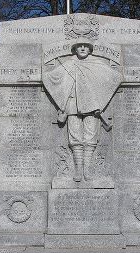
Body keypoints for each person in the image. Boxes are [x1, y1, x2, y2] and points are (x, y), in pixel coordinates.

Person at [43, 39, 122, 182]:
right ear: (75, 49)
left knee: (90, 138)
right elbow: (50, 78)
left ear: (90, 49)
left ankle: (87, 171)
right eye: (80, 46)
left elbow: (114, 77)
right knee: (75, 139)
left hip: (92, 105)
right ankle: (78, 170)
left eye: (86, 46)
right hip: (72, 104)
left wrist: (101, 98)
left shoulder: (97, 64)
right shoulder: (68, 64)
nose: (83, 48)